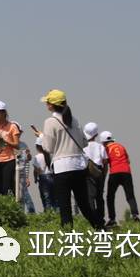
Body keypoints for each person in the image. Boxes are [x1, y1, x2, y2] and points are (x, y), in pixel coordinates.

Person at [37, 89, 103, 229]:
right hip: (79, 166)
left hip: (62, 167)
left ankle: (68, 240)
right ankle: (100, 229)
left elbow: (48, 148)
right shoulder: (74, 119)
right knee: (84, 205)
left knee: (65, 207)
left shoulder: (50, 122)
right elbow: (84, 143)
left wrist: (43, 137)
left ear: (51, 105)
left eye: (47, 102)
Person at [99, 131, 140, 225]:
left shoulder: (106, 149)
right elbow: (128, 160)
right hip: (126, 172)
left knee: (110, 196)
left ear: (103, 141)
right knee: (130, 195)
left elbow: (105, 162)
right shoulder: (121, 146)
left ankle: (112, 219)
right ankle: (135, 216)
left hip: (114, 173)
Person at [81, 122, 108, 222]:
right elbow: (105, 162)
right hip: (99, 172)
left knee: (90, 197)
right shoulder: (100, 146)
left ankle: (93, 218)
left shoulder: (83, 146)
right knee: (99, 196)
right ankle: (101, 218)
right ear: (96, 135)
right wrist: (104, 174)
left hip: (87, 172)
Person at [33, 136, 55, 212]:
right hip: (52, 177)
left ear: (37, 147)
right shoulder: (51, 155)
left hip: (43, 179)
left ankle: (48, 215)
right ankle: (57, 214)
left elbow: (36, 170)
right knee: (55, 198)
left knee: (46, 198)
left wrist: (35, 178)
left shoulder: (37, 157)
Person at [17, 140, 36, 213]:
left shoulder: (24, 145)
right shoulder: (8, 143)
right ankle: (19, 213)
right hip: (12, 174)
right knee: (16, 195)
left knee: (24, 194)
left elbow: (27, 161)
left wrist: (27, 176)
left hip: (22, 174)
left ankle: (31, 212)